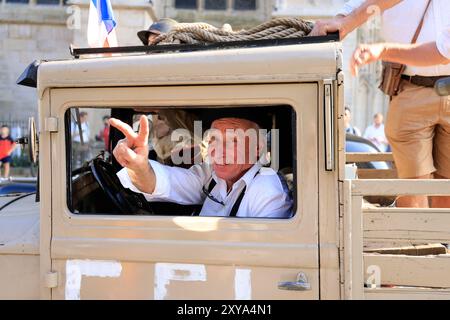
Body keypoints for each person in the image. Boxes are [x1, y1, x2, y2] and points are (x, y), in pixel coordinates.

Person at [310, 0, 450, 208]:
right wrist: (342, 19)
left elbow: (443, 52)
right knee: (414, 189)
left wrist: (382, 50)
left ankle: (441, 240)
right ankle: (420, 239)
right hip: (410, 90)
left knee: (446, 191)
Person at [109, 115, 293, 218]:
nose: (218, 151)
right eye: (213, 139)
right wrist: (139, 167)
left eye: (232, 141)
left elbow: (261, 257)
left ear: (258, 147)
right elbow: (166, 182)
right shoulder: (210, 174)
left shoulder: (267, 189)